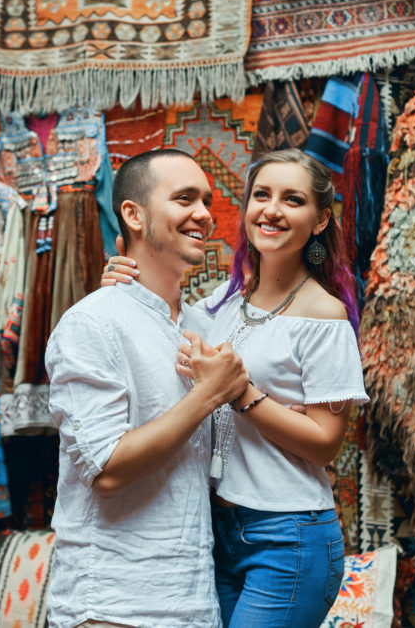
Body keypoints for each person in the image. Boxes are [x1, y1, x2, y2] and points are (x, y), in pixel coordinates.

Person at [103, 149, 369, 628]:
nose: (271, 210)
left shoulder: (325, 316)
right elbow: (159, 318)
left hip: (289, 536)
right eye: (261, 195)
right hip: (216, 530)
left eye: (293, 200)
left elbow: (326, 443)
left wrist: (241, 393)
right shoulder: (219, 304)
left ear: (320, 219)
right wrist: (122, 280)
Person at [44, 149, 250, 628]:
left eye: (206, 199)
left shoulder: (204, 327)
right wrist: (207, 396)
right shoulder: (92, 324)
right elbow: (108, 469)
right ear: (133, 215)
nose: (203, 213)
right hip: (113, 605)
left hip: (195, 600)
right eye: (184, 198)